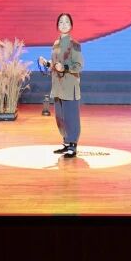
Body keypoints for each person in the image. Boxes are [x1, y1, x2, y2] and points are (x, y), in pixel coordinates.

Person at [39, 12, 84, 158]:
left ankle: (73, 145)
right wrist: (46, 63)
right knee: (60, 117)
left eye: (66, 22)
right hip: (57, 86)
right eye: (61, 22)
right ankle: (66, 142)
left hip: (69, 86)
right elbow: (55, 65)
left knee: (71, 116)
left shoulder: (75, 45)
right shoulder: (55, 44)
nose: (63, 25)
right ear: (57, 26)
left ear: (71, 25)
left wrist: (64, 67)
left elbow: (78, 66)